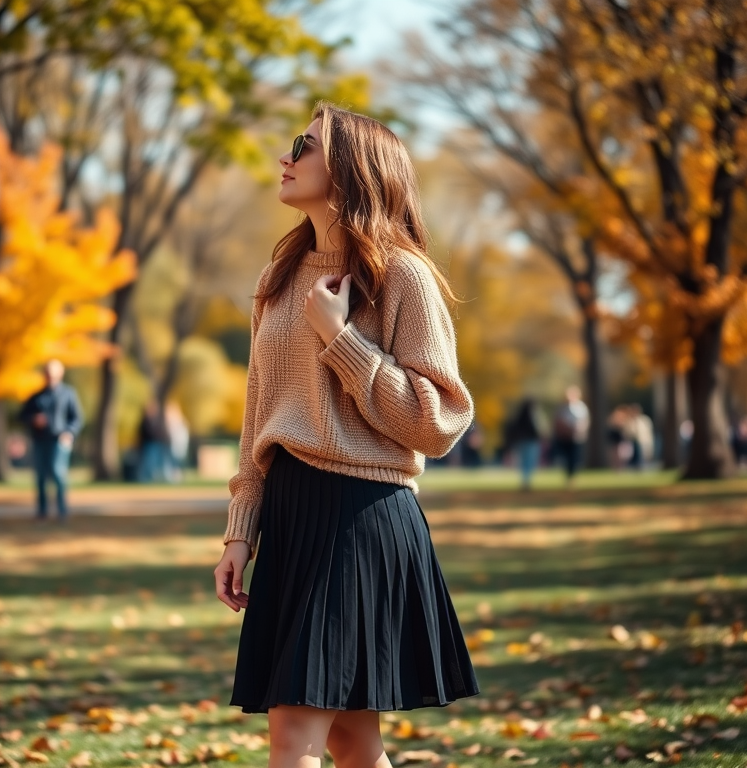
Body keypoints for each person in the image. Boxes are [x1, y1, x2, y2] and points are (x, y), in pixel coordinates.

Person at [213, 103, 479, 768]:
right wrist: (240, 530)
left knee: (293, 737)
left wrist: (342, 338)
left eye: (305, 144)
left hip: (360, 517)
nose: (287, 155)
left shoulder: (403, 276)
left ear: (353, 169)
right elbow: (257, 417)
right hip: (293, 514)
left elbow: (437, 421)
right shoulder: (276, 281)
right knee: (353, 741)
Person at [18, 360, 83, 521]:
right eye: (47, 373)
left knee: (58, 473)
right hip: (40, 440)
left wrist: (69, 433)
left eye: (52, 373)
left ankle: (62, 511)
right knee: (40, 476)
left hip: (59, 440)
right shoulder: (36, 396)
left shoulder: (68, 393)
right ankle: (42, 512)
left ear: (60, 374)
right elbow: (22, 416)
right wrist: (34, 419)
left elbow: (77, 418)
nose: (49, 377)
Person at [506, 397, 547, 490]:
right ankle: (526, 481)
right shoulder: (534, 415)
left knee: (524, 462)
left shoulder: (519, 416)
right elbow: (540, 429)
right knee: (529, 462)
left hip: (522, 441)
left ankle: (525, 481)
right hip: (531, 441)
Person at [552, 386, 590, 485]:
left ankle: (572, 477)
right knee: (566, 458)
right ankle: (568, 476)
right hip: (565, 437)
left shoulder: (581, 407)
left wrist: (579, 429)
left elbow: (585, 421)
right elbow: (557, 421)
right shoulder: (562, 408)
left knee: (575, 458)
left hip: (577, 437)